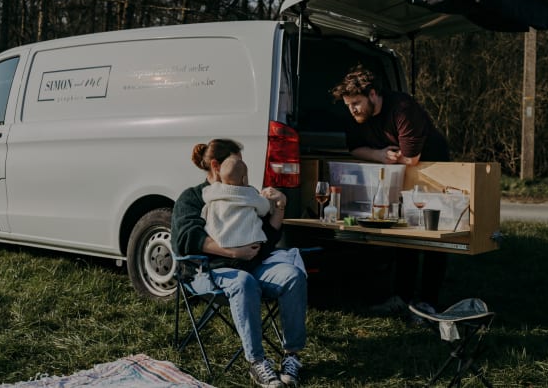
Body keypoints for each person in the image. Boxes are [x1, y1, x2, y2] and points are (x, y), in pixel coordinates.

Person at [172, 139, 306, 388]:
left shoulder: (247, 195)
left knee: (292, 275)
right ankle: (257, 363)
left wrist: (280, 206)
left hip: (254, 265)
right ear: (216, 165)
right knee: (244, 282)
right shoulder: (194, 197)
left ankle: (292, 357)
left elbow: (266, 236)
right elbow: (186, 238)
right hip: (210, 270)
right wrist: (234, 252)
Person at [331, 63, 449, 313]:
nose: (352, 110)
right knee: (402, 236)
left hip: (432, 171)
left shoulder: (402, 108)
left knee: (432, 238)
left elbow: (411, 158)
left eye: (356, 103)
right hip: (397, 171)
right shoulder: (356, 115)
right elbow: (354, 149)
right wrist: (379, 154)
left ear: (373, 94)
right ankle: (402, 298)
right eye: (348, 105)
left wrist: (391, 158)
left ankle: (428, 301)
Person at [201, 156, 270, 248]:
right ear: (244, 179)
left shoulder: (213, 191)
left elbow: (205, 194)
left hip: (217, 241)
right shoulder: (249, 193)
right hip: (246, 242)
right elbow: (264, 209)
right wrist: (263, 197)